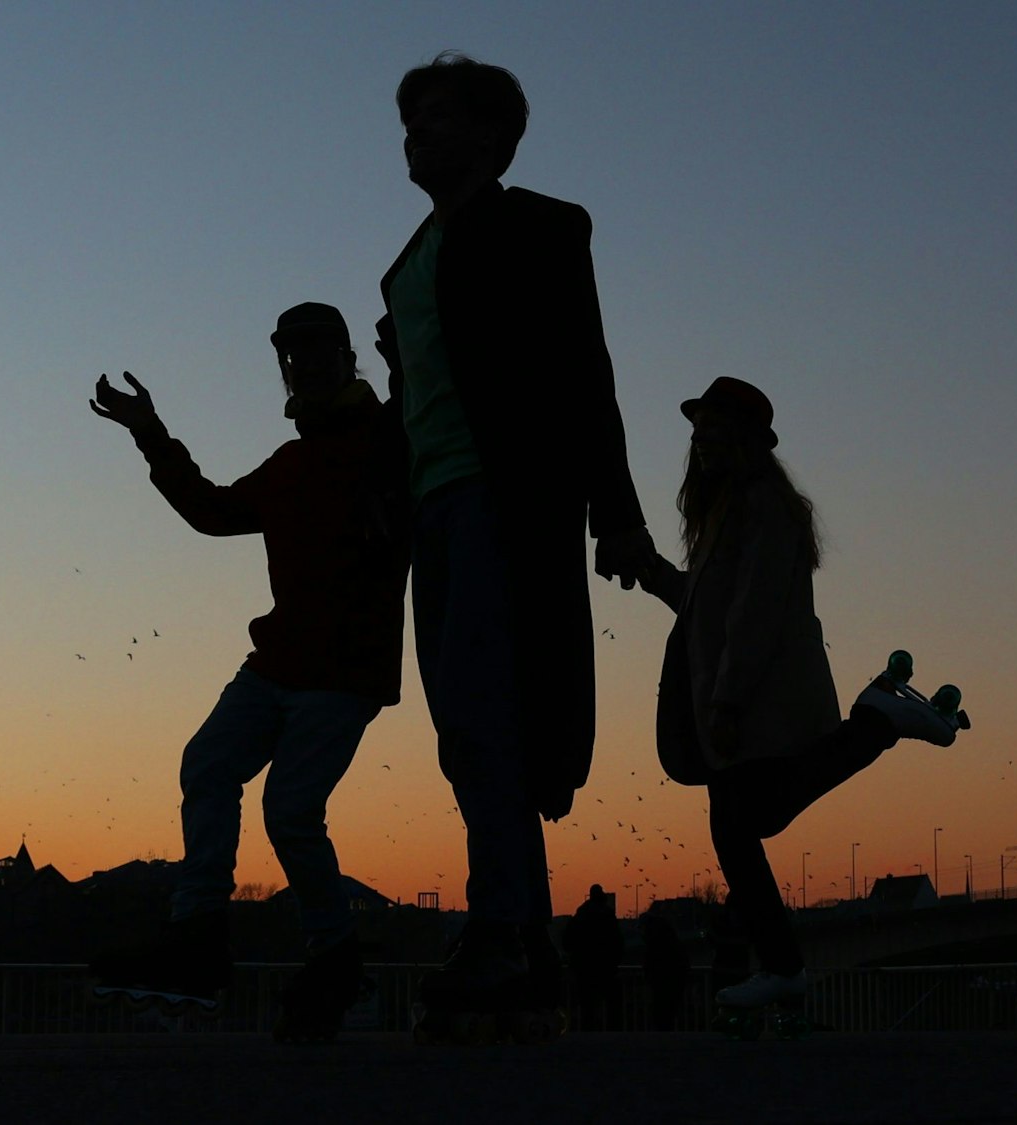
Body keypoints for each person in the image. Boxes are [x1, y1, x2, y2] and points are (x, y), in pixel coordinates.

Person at [380, 53, 655, 1035]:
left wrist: (614, 510)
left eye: (442, 117)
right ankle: (521, 936)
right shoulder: (406, 263)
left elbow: (584, 369)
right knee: (464, 731)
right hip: (430, 517)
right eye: (411, 120)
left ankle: (502, 930)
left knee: (491, 720)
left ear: (496, 137)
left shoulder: (538, 226)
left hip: (503, 501)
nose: (419, 134)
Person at [85, 303, 409, 1042]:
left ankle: (333, 958)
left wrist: (407, 358)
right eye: (292, 355)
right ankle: (197, 933)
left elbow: (420, 411)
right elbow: (211, 509)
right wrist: (150, 432)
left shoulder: (389, 438)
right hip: (278, 661)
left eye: (320, 351)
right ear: (284, 369)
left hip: (345, 671)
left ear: (346, 357)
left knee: (291, 812)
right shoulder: (290, 464)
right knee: (207, 764)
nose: (306, 364)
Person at [635, 376, 967, 1013]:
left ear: (745, 440)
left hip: (758, 696)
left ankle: (876, 719)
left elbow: (753, 610)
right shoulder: (730, 512)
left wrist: (726, 702)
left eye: (711, 431)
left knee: (738, 824)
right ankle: (877, 719)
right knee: (747, 821)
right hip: (743, 695)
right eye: (695, 433)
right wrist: (653, 572)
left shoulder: (764, 506)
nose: (699, 444)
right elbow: (708, 607)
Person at [562, 884, 623, 1031]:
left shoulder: (581, 915)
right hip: (606, 966)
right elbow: (618, 942)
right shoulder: (608, 916)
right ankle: (612, 1032)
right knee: (611, 1003)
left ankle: (587, 1032)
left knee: (586, 1004)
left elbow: (567, 940)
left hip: (584, 967)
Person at [640, 914, 690, 1032]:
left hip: (660, 985)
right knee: (669, 1015)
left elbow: (649, 965)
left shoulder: (653, 946)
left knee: (660, 1016)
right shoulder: (674, 943)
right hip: (673, 984)